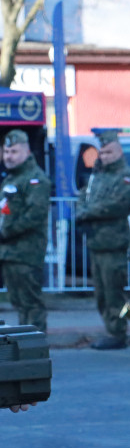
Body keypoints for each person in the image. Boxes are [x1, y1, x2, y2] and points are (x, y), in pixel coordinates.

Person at [76, 130, 130, 349]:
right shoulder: (98, 175)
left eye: (109, 151)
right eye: (102, 151)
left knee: (114, 291)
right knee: (101, 293)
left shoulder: (126, 175)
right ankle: (110, 329)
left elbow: (118, 204)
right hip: (96, 242)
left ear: (119, 151)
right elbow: (82, 196)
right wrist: (82, 209)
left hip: (114, 244)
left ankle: (118, 333)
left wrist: (88, 212)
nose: (105, 155)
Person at [0, 130, 52, 332]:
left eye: (13, 151)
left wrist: (5, 232)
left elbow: (34, 216)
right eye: (6, 151)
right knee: (19, 302)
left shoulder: (36, 179)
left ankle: (36, 347)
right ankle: (26, 345)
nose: (8, 156)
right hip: (10, 252)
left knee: (31, 303)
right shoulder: (11, 179)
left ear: (27, 152)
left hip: (26, 252)